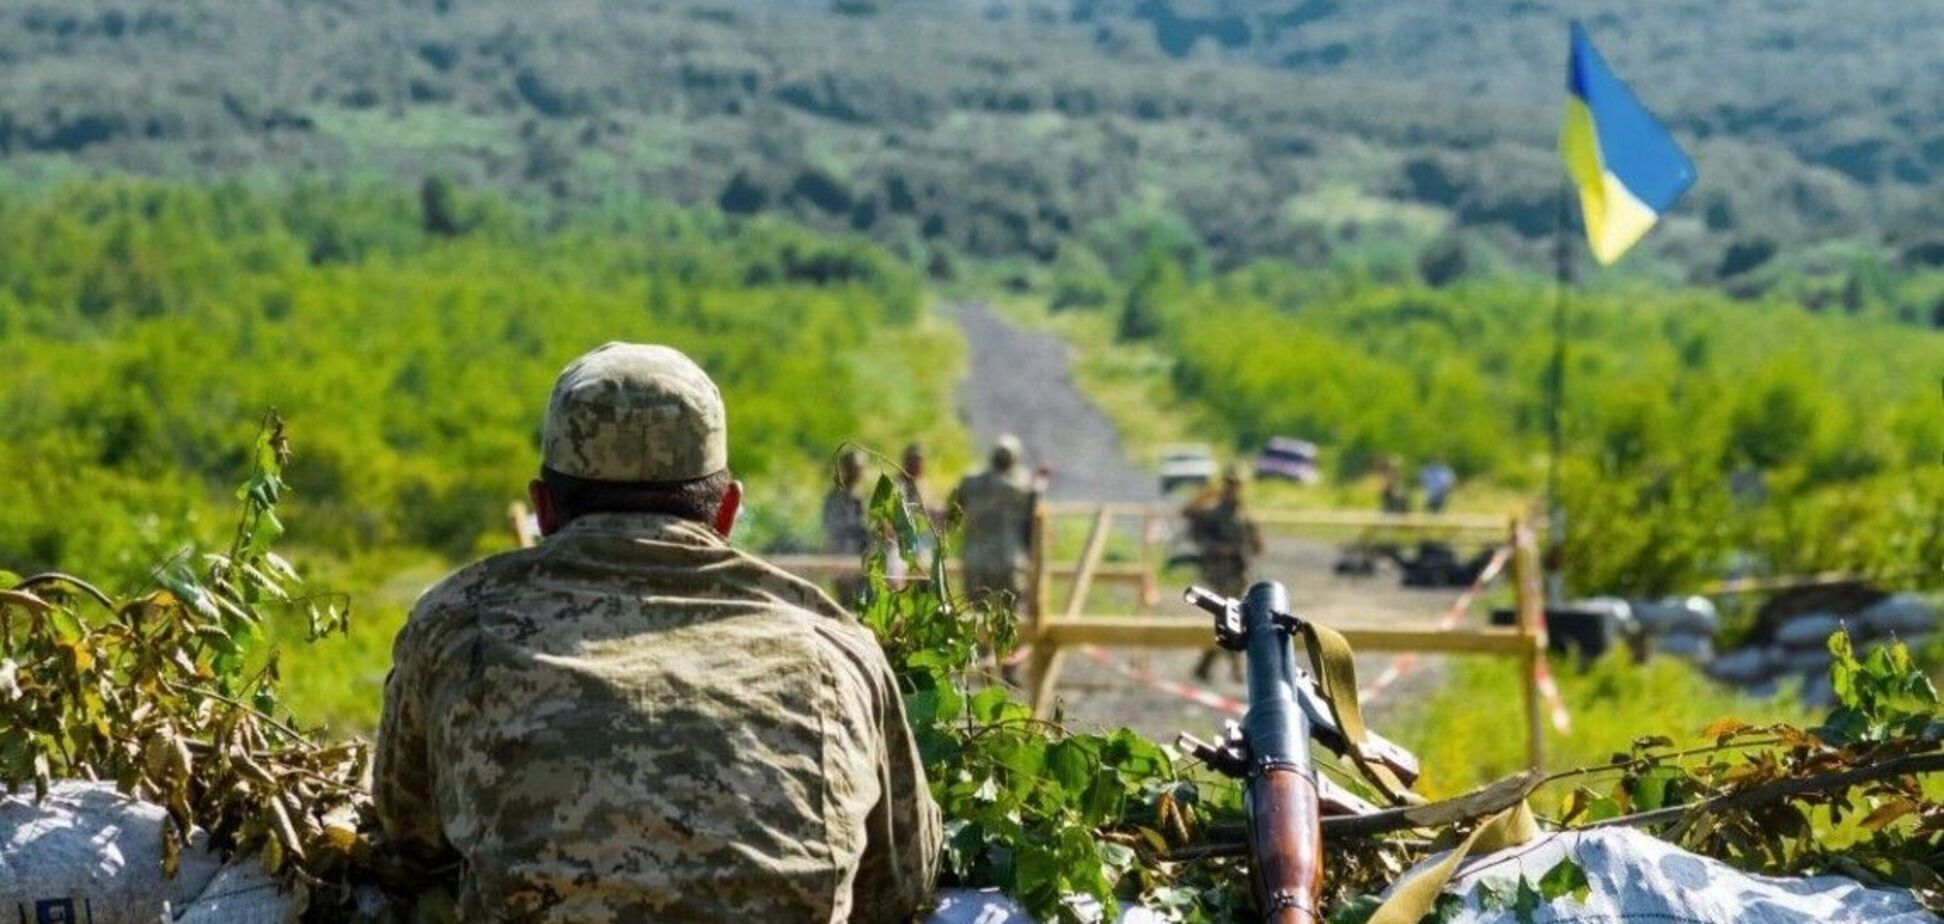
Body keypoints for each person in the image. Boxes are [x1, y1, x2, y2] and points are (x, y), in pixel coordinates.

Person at [375, 342, 939, 923]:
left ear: (543, 509)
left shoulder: (457, 623)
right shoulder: (834, 646)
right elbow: (899, 885)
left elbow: (410, 831)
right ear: (726, 510)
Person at [948, 434, 1043, 611]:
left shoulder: (971, 482)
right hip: (1007, 559)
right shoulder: (1019, 487)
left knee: (976, 614)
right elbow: (1031, 504)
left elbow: (953, 509)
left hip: (976, 558)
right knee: (1012, 613)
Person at [1186, 468, 1263, 684]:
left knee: (1232, 619)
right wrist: (1219, 549)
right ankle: (1236, 669)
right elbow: (1194, 527)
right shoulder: (1213, 513)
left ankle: (1205, 666)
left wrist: (1248, 545)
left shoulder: (1243, 515)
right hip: (1219, 573)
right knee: (1231, 617)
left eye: (1235, 485)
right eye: (1228, 485)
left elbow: (1256, 545)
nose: (1232, 489)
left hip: (1238, 573)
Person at [822, 447, 872, 602]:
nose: (857, 473)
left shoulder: (861, 496)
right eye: (854, 468)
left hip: (862, 559)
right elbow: (833, 528)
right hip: (844, 558)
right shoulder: (836, 498)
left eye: (859, 469)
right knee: (847, 604)